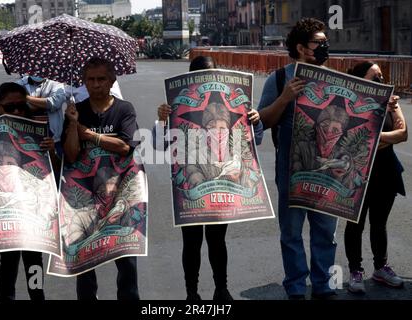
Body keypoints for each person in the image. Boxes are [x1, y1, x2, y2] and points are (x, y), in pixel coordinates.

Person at [153, 55, 263, 300]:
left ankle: (221, 288)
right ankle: (191, 292)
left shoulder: (235, 110)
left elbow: (255, 142)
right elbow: (159, 144)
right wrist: (162, 120)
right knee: (191, 242)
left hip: (221, 192)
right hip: (193, 192)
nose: (217, 128)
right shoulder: (175, 107)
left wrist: (256, 121)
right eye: (211, 124)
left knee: (217, 240)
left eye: (221, 125)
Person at [258, 18, 338, 300]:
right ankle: (295, 286)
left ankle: (323, 284)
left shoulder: (337, 81)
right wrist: (284, 98)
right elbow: (261, 122)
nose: (325, 45)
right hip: (290, 168)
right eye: (319, 41)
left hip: (327, 169)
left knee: (326, 230)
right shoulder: (279, 79)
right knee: (291, 231)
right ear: (302, 48)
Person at [0, 82, 56, 300]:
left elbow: (54, 170)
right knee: (8, 261)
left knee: (34, 262)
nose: (17, 111)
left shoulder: (38, 129)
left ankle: (38, 296)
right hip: (3, 210)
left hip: (31, 209)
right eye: (10, 107)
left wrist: (52, 151)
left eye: (21, 105)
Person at [63, 57, 140, 300]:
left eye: (101, 79)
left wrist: (90, 135)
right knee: (84, 257)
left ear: (112, 80)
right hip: (84, 195)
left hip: (119, 193)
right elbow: (72, 154)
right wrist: (74, 125)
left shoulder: (124, 109)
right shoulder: (78, 111)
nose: (95, 85)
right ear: (84, 82)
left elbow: (126, 146)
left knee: (125, 258)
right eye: (90, 80)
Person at [344, 61, 407, 294]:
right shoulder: (350, 103)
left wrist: (374, 137)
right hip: (358, 172)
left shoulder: (391, 102)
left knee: (379, 223)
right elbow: (348, 136)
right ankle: (355, 270)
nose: (381, 80)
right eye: (375, 76)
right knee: (355, 224)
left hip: (387, 170)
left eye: (381, 75)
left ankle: (381, 267)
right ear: (362, 80)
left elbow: (403, 134)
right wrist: (378, 139)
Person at [16, 75, 65, 157]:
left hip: (53, 137)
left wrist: (26, 98)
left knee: (56, 163)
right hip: (27, 137)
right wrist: (41, 103)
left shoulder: (56, 84)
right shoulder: (18, 84)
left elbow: (54, 103)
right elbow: (21, 105)